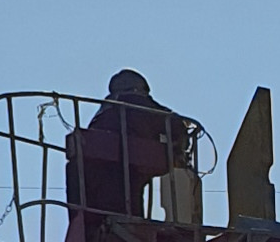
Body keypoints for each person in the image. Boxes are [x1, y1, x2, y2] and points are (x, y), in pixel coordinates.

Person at [66, 70, 195, 220]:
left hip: (89, 193)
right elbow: (173, 124)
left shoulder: (105, 111)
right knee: (129, 210)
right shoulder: (135, 103)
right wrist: (178, 146)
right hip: (122, 178)